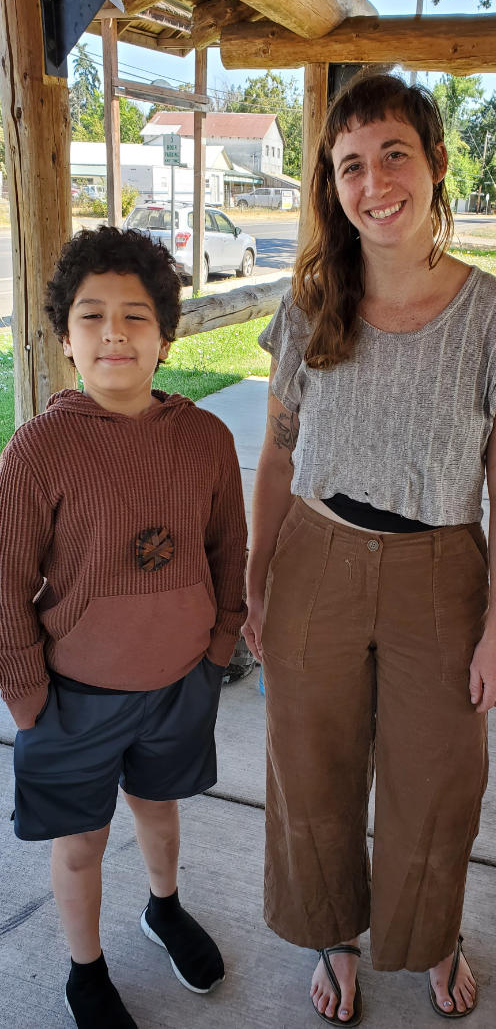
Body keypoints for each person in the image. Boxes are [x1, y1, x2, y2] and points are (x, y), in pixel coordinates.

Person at [242, 72, 496, 1026]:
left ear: (436, 164)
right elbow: (276, 456)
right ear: (332, 189)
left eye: (393, 155)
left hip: (440, 574)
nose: (373, 182)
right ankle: (333, 934)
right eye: (349, 166)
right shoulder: (308, 309)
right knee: (311, 764)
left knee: (438, 779)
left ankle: (428, 934)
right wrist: (256, 588)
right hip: (314, 559)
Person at [0, 226, 247, 1028]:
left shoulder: (206, 439)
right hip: (72, 698)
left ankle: (165, 908)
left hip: (179, 684)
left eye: (137, 316)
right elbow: (5, 581)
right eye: (92, 316)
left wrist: (218, 646)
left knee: (161, 811)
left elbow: (227, 550)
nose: (114, 332)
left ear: (167, 337)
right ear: (65, 338)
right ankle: (84, 967)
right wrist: (28, 696)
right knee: (80, 844)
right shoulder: (38, 450)